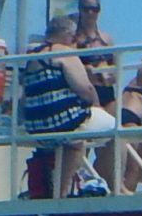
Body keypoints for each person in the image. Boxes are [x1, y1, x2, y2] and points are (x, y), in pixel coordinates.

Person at [19, 15, 116, 198]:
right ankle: (112, 185)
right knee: (115, 130)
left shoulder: (32, 58)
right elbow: (84, 88)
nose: (74, 41)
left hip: (36, 126)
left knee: (72, 141)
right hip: (62, 121)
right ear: (65, 34)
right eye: (73, 37)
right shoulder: (63, 52)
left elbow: (25, 97)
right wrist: (96, 105)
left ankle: (62, 191)